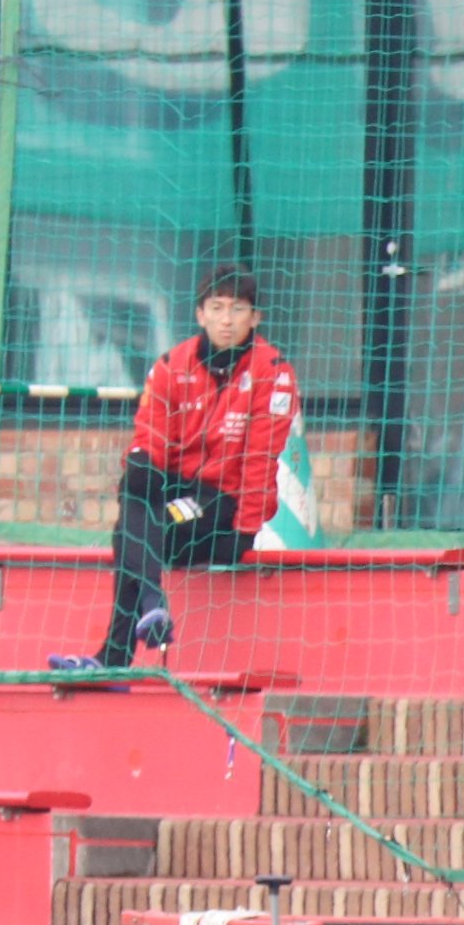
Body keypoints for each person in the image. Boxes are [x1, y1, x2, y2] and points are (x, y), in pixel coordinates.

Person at [55, 263, 297, 672]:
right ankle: (147, 610)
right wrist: (143, 465)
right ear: (200, 314)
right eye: (217, 308)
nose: (226, 319)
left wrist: (247, 530)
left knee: (133, 530)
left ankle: (118, 650)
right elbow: (149, 435)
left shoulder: (273, 373)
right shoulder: (172, 365)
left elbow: (260, 459)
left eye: (237, 309)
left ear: (255, 318)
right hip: (172, 499)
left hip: (218, 509)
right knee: (134, 487)